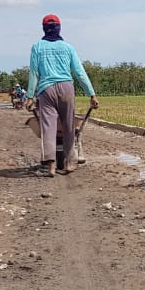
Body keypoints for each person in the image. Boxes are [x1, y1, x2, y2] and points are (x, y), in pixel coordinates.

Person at [25, 14, 99, 176]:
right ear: (59, 28)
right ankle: (70, 161)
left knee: (48, 127)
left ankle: (51, 165)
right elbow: (79, 72)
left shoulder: (37, 47)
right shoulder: (67, 47)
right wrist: (91, 94)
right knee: (68, 125)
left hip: (46, 90)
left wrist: (30, 96)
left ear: (44, 28)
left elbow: (34, 74)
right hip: (66, 88)